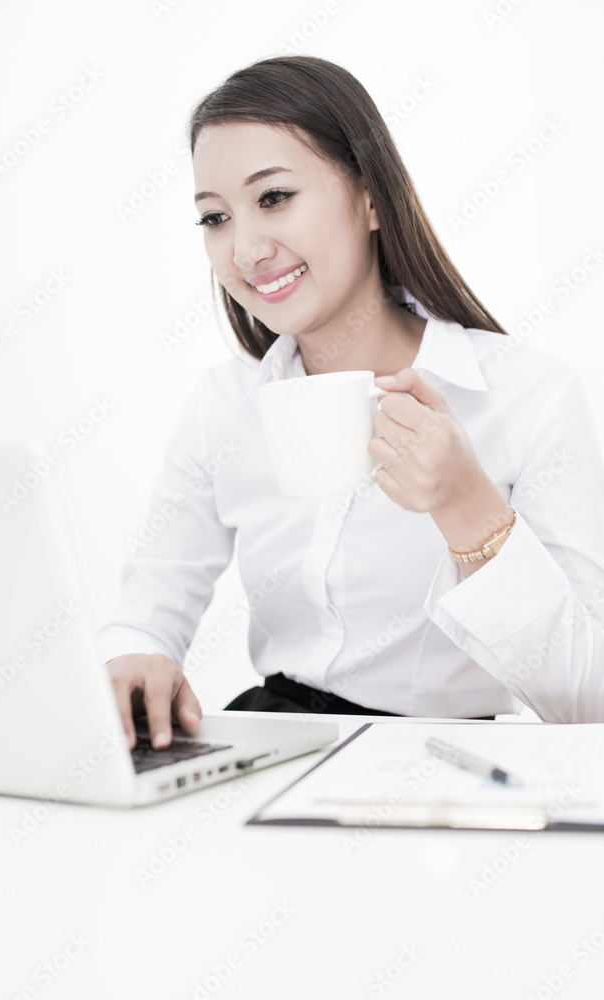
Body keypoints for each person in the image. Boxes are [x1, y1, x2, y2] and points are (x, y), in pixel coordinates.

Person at [100, 55, 604, 749]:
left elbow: (587, 703)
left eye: (273, 197)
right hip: (271, 746)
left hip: (448, 768)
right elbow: (149, 605)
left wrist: (465, 504)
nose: (245, 251)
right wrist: (135, 655)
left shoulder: (528, 394)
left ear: (370, 198)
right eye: (213, 217)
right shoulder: (224, 402)